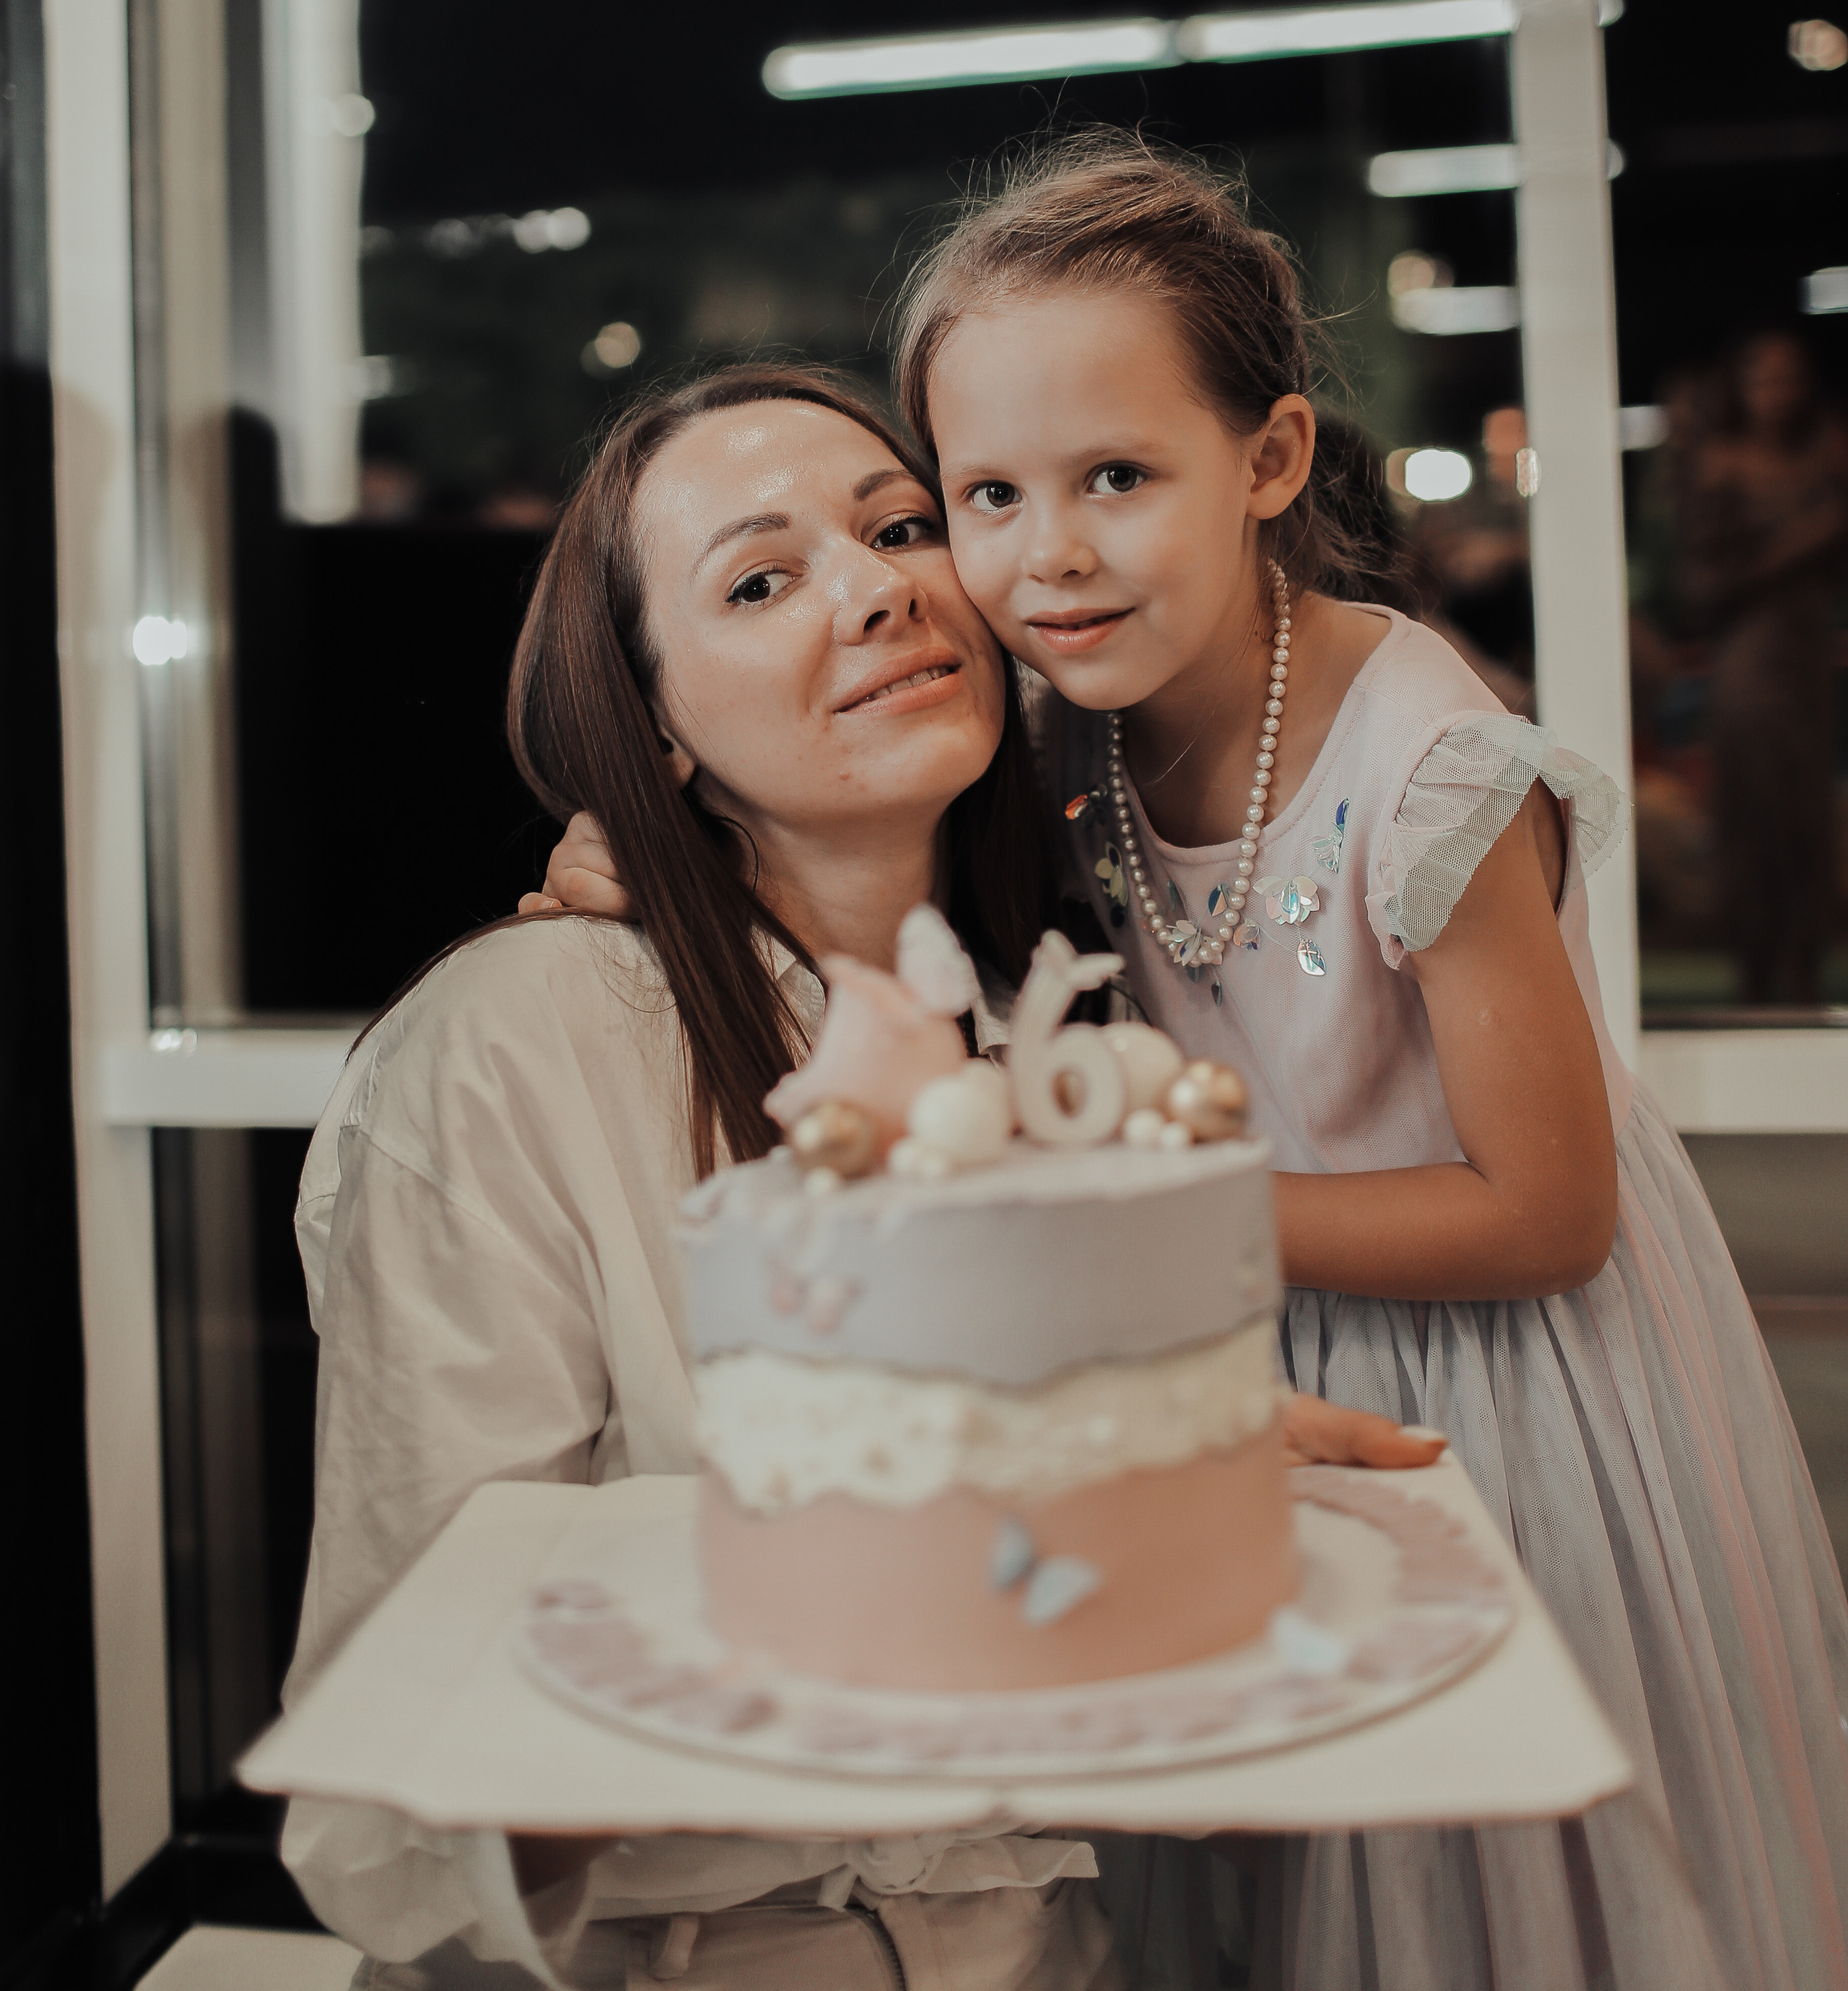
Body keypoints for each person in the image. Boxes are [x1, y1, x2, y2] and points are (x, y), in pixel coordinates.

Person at [541, 141, 1848, 1991]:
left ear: (1268, 459)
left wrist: (1134, 1218)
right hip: (1205, 1379)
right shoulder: (1058, 725)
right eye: (981, 493)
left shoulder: (1428, 768)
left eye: (1116, 478)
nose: (1043, 551)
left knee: (1477, 1914)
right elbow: (836, 842)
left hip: (1488, 1403)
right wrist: (645, 852)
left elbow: (1546, 1211)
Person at [289, 362, 1440, 1991]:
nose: (878, 588)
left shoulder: (1060, 1026)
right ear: (652, 722)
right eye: (759, 579)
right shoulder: (521, 1040)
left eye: (903, 528)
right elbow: (405, 1760)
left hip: (1052, 1946)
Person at [1679, 329, 1848, 1005]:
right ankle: (1755, 958)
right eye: (1763, 378)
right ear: (1741, 388)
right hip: (1749, 656)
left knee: (1809, 808)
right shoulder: (1724, 464)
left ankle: (1806, 956)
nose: (1777, 393)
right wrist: (1811, 537)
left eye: (1789, 378)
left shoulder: (1822, 460)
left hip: (1806, 656)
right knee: (1756, 810)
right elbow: (1703, 583)